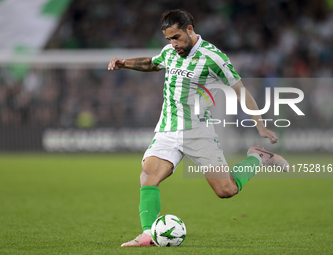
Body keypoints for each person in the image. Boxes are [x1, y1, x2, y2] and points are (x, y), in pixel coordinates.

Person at [108, 9, 289, 247]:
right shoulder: (169, 52)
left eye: (176, 37)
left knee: (227, 190)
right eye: (168, 39)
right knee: (148, 177)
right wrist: (125, 64)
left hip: (198, 132)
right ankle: (148, 234)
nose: (173, 44)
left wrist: (261, 126)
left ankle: (258, 156)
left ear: (190, 29)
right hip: (167, 130)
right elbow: (153, 64)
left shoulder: (214, 58)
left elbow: (240, 90)